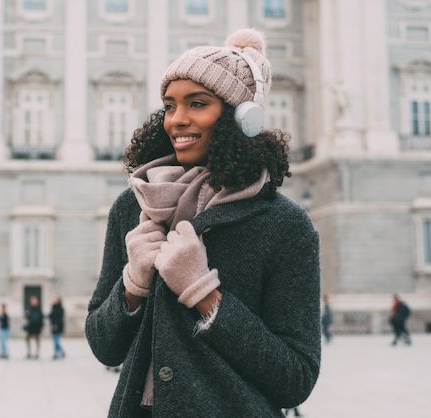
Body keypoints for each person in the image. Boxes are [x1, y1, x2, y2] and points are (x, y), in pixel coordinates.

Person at [85, 28, 321, 417]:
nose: (177, 120)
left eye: (197, 104)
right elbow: (103, 346)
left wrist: (205, 295)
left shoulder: (285, 224)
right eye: (170, 105)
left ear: (240, 116)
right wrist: (132, 285)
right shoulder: (133, 206)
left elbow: (294, 379)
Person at [48, 295, 66, 360]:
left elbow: (59, 318)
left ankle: (59, 352)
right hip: (53, 326)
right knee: (55, 341)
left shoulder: (61, 308)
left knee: (56, 341)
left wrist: (56, 325)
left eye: (55, 299)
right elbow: (51, 316)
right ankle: (58, 353)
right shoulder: (53, 307)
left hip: (58, 326)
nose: (54, 300)